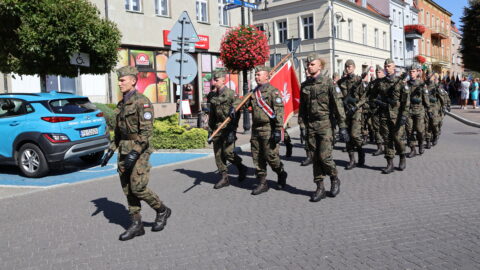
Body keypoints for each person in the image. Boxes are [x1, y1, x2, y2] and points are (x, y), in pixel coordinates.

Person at [101, 66, 171, 241]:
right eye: (119, 80)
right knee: (127, 189)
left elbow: (146, 132)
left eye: (122, 80)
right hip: (124, 148)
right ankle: (136, 224)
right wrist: (110, 150)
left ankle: (162, 210)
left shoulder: (142, 102)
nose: (119, 83)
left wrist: (136, 151)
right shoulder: (121, 104)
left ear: (133, 80)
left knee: (138, 188)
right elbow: (118, 132)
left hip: (139, 150)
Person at [298, 53, 348, 202]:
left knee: (325, 157)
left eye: (312, 64)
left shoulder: (329, 83)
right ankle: (320, 188)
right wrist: (302, 125)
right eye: (308, 64)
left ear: (320, 65)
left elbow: (338, 106)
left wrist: (343, 127)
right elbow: (302, 109)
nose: (309, 66)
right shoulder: (305, 85)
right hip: (311, 125)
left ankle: (334, 178)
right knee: (315, 158)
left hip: (325, 124)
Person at [244, 65, 288, 195]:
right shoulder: (253, 93)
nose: (256, 77)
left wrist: (278, 129)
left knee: (271, 156)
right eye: (256, 75)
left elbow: (279, 111)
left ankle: (281, 173)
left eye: (259, 74)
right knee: (257, 156)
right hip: (256, 128)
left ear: (267, 76)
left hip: (269, 128)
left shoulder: (273, 92)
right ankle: (262, 183)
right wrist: (236, 106)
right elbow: (243, 104)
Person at [208, 70, 248, 189]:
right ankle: (224, 177)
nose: (214, 82)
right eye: (213, 80)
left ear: (223, 80)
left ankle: (241, 167)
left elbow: (237, 112)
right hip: (217, 128)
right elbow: (212, 115)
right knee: (218, 154)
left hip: (228, 127)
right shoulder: (213, 96)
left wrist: (232, 130)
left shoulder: (231, 94)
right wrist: (210, 131)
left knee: (228, 153)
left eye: (217, 80)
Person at [376, 59, 410, 174]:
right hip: (384, 115)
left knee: (397, 138)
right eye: (385, 66)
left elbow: (406, 102)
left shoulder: (401, 83)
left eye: (389, 66)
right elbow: (372, 96)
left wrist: (404, 116)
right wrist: (377, 102)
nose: (386, 68)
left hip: (397, 116)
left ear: (394, 67)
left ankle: (402, 155)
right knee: (387, 139)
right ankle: (390, 163)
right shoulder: (380, 82)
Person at [336, 59, 368, 170]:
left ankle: (360, 152)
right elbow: (338, 98)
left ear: (354, 67)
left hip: (356, 111)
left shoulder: (358, 81)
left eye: (350, 66)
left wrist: (356, 106)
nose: (348, 68)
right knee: (347, 136)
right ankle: (352, 160)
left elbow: (364, 97)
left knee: (355, 135)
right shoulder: (341, 82)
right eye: (346, 66)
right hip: (345, 112)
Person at [405, 64, 431, 158]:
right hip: (409, 110)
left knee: (420, 130)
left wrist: (428, 108)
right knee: (409, 130)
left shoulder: (421, 83)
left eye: (413, 71)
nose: (412, 73)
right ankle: (412, 149)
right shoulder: (406, 84)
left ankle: (420, 143)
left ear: (417, 72)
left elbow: (425, 97)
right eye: (410, 72)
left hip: (419, 110)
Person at [366, 65, 386, 156]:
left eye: (379, 72)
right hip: (374, 109)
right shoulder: (373, 83)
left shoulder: (387, 82)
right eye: (377, 72)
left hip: (384, 110)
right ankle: (379, 147)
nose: (378, 74)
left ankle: (388, 147)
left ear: (383, 72)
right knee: (376, 129)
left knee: (385, 129)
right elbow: (367, 94)